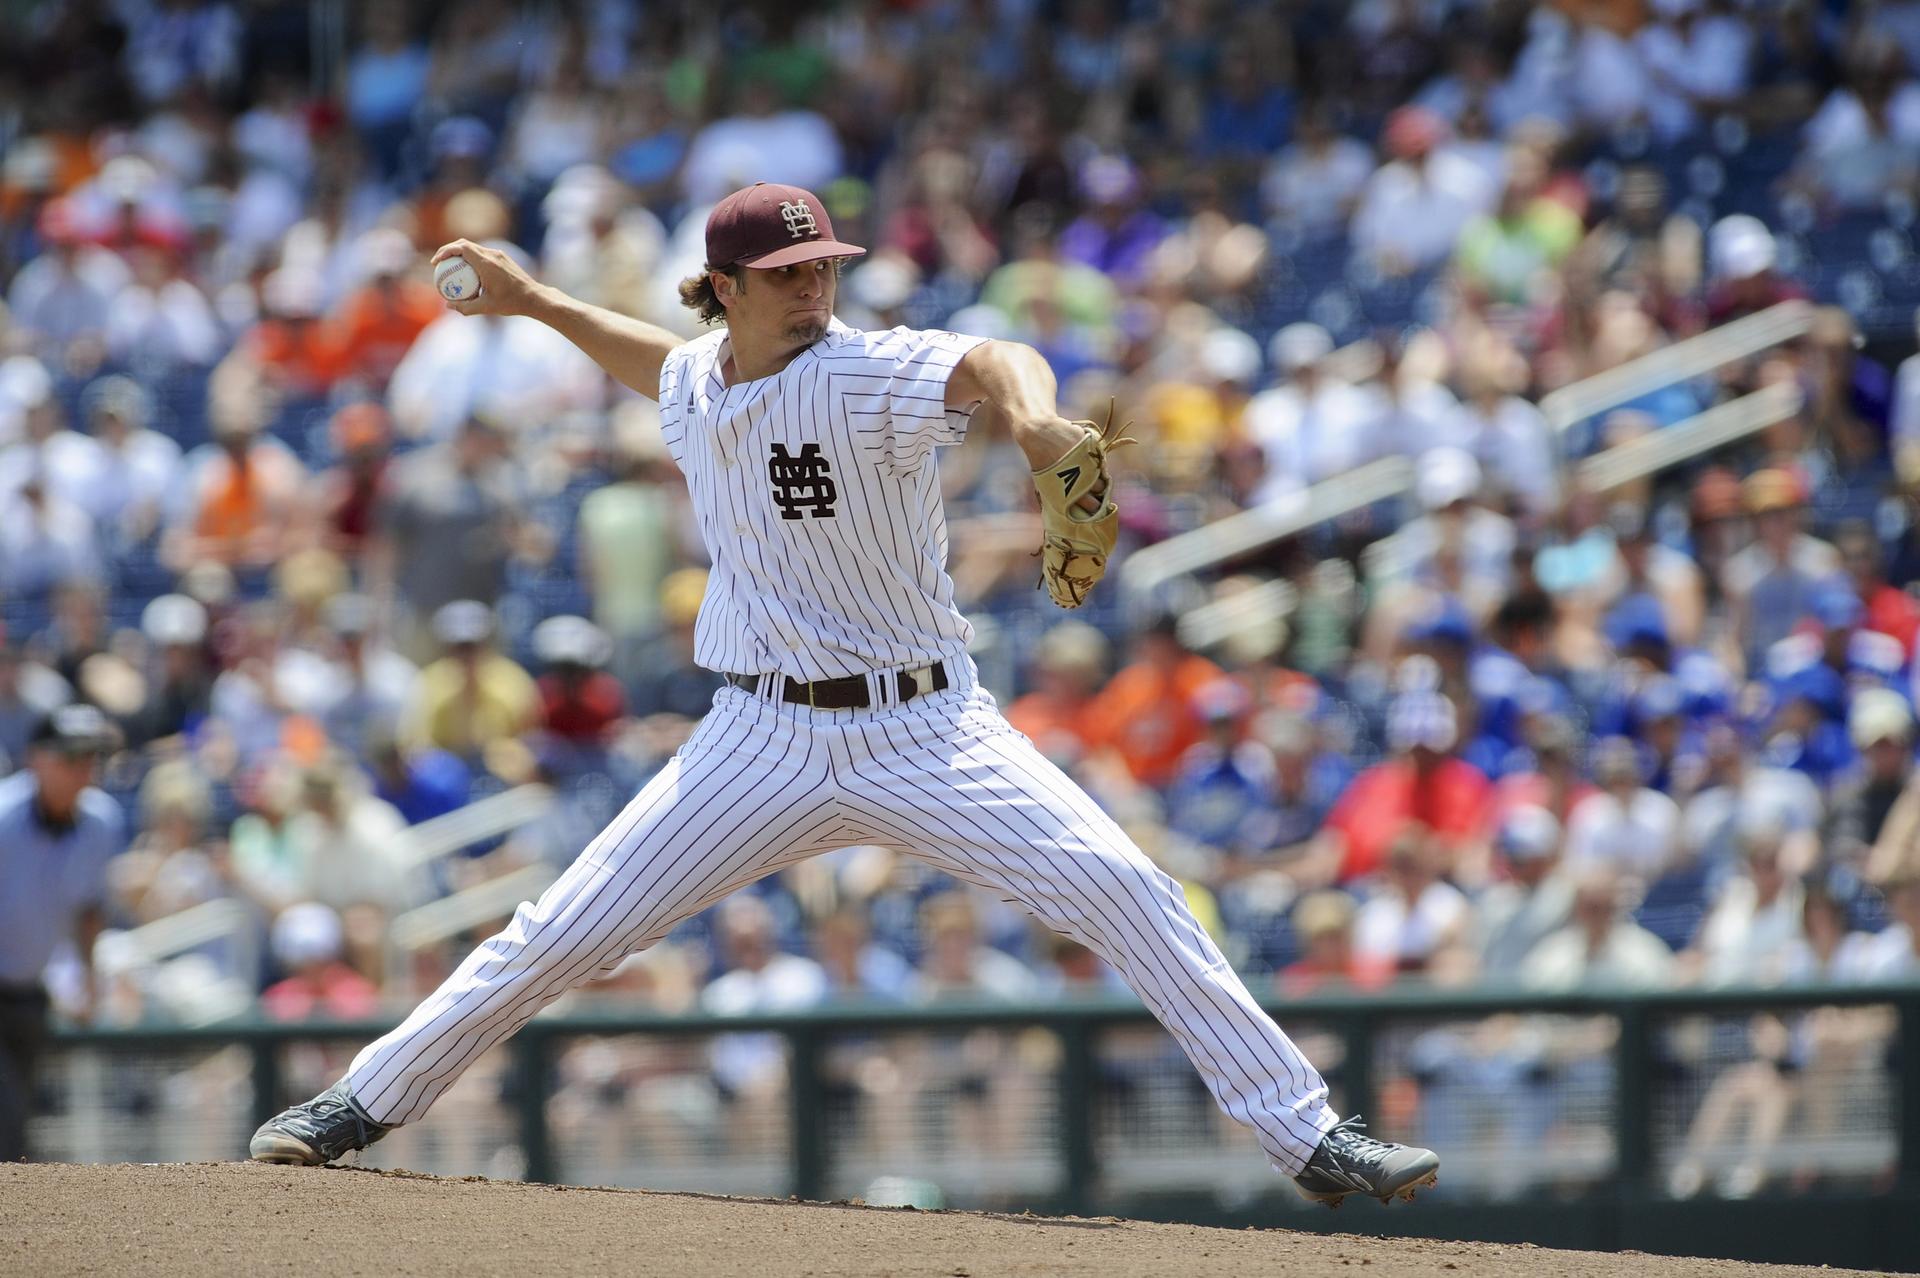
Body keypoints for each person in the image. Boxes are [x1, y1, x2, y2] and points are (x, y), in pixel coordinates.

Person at [250, 180, 1438, 1206]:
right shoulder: (698, 385)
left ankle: (1309, 1134)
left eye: (822, 264)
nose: (814, 287)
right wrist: (535, 302)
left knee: (1129, 888)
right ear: (722, 289)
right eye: (785, 273)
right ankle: (360, 1102)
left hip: (927, 726)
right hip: (758, 734)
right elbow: (652, 367)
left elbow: (984, 356)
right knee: (558, 931)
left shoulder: (864, 371)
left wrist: (1032, 422)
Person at [0, 705, 127, 1160]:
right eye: (71, 757)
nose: (84, 769)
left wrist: (88, 979)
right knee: (7, 1121)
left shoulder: (101, 821)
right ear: (37, 758)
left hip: (30, 992)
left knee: (19, 1127)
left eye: (91, 757)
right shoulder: (3, 815)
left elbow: (88, 909)